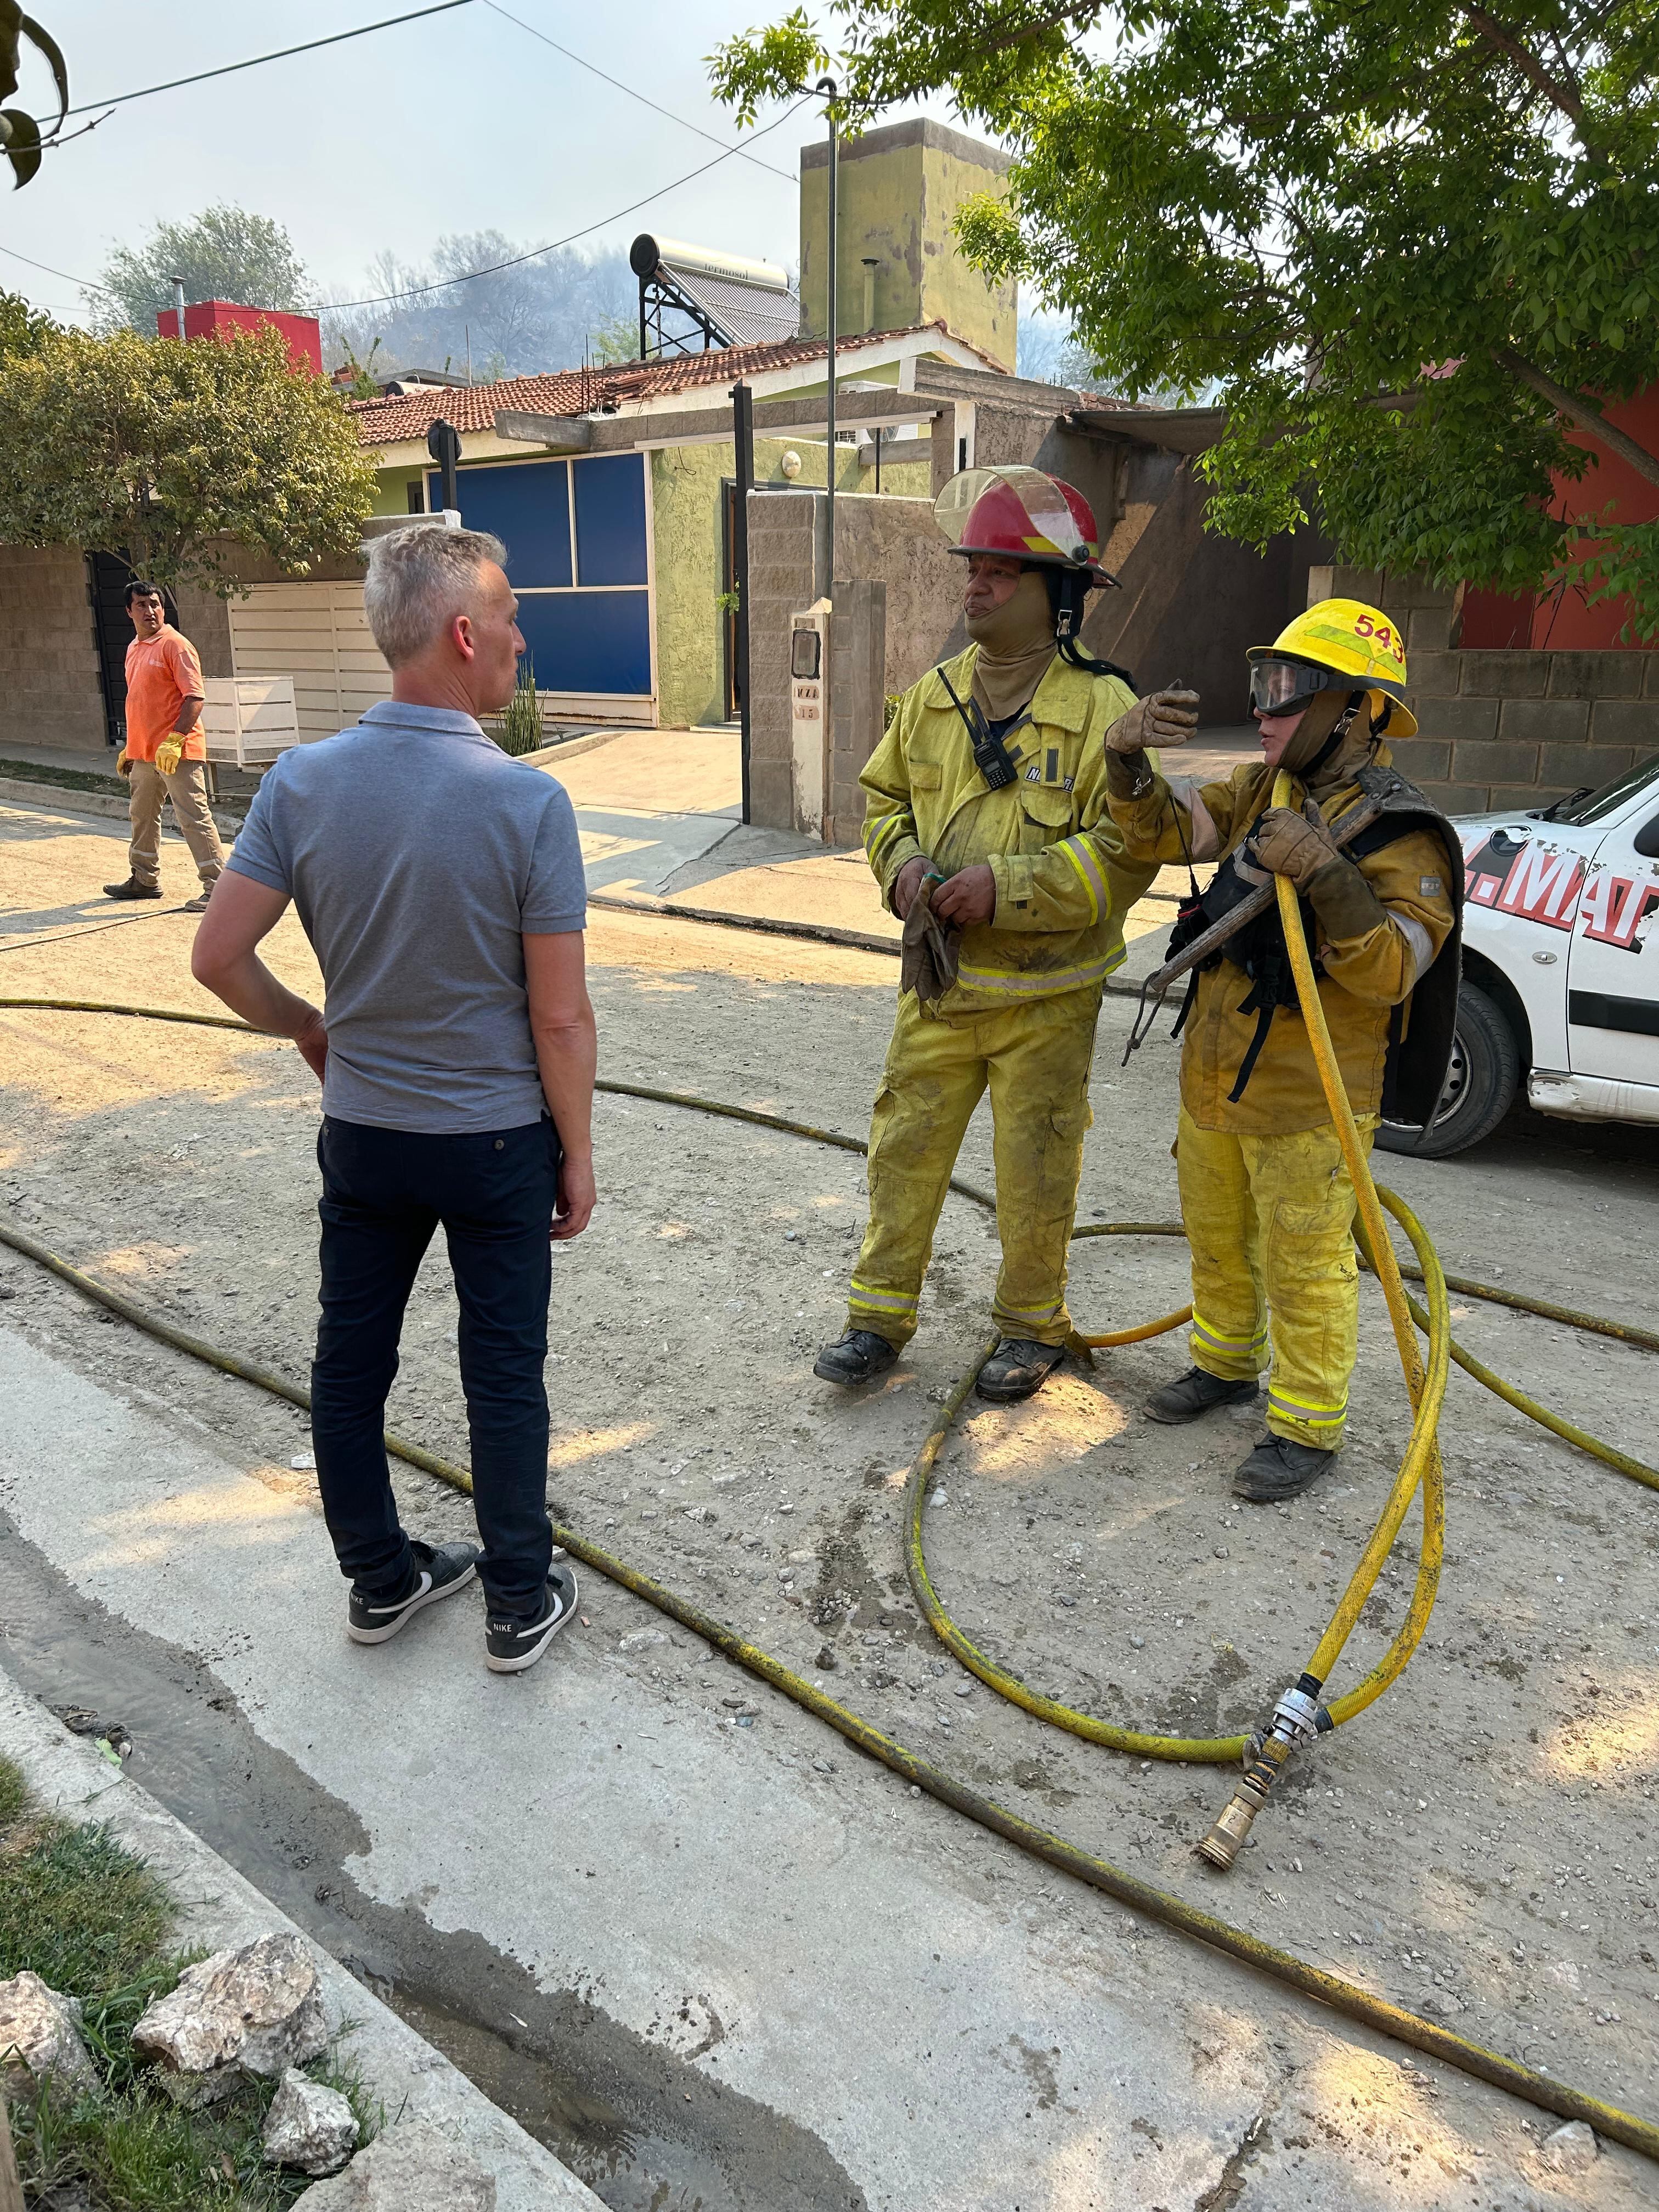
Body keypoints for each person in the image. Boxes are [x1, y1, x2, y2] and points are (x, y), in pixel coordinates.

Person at [191, 523, 597, 1674]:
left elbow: (217, 958)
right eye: (510, 612)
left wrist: (312, 1029)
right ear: (465, 634)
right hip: (495, 1145)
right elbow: (559, 1018)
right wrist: (577, 1151)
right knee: (502, 1372)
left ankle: (380, 1581)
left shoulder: (302, 783)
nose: (521, 632)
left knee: (350, 1363)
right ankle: (518, 1600)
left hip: (365, 1136)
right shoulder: (527, 803)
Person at [815, 466, 1197, 1403]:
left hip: (1044, 999)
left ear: (1055, 594)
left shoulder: (1106, 710)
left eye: (999, 572)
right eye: (972, 570)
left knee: (1034, 1164)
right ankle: (876, 1317)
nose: (974, 586)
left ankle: (1031, 1329)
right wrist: (900, 867)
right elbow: (881, 802)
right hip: (940, 987)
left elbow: (1124, 855)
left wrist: (1009, 890)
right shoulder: (933, 696)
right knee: (901, 1149)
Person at [1105, 599, 1463, 1500]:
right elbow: (1159, 834)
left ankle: (1304, 1422)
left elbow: (1388, 973)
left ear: (1356, 708)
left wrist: (1327, 872)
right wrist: (1123, 760)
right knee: (1217, 1238)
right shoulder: (1255, 792)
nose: (1262, 709)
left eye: (1284, 689)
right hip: (1215, 1079)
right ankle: (1223, 1362)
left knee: (1303, 1260)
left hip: (1310, 1098)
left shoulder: (1401, 835)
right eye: (1259, 684)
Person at [104, 582, 226, 913]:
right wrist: (131, 747)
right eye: (141, 605)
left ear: (164, 608)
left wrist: (175, 740)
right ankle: (144, 880)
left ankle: (220, 889)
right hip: (145, 753)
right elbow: (140, 701)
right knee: (142, 815)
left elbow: (194, 697)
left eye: (155, 604)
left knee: (194, 818)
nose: (150, 611)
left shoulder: (176, 645)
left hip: (178, 752)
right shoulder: (134, 648)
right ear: (129, 611)